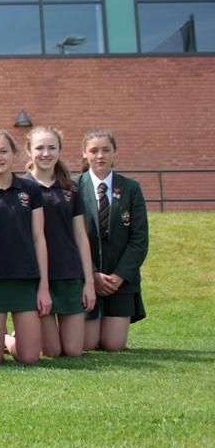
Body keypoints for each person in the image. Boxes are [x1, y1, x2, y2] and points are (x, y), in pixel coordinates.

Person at [0, 129, 50, 365]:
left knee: (30, 358)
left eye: (3, 151)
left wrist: (43, 287)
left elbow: (39, 238)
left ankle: (7, 340)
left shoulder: (30, 190)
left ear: (14, 154)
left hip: (25, 280)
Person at [24, 126, 96, 358]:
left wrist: (89, 282)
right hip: (36, 277)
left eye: (52, 147)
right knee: (52, 351)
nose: (46, 153)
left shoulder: (71, 189)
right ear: (28, 151)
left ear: (59, 151)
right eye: (40, 148)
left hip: (68, 273)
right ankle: (11, 338)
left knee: (74, 351)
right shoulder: (20, 189)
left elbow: (80, 236)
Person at [79, 128, 148, 353]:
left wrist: (118, 277)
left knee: (113, 345)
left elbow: (139, 240)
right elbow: (69, 240)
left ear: (114, 152)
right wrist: (92, 275)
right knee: (87, 345)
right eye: (94, 150)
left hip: (121, 283)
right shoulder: (73, 188)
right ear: (84, 154)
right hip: (86, 281)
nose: (100, 156)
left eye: (106, 150)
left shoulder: (131, 188)